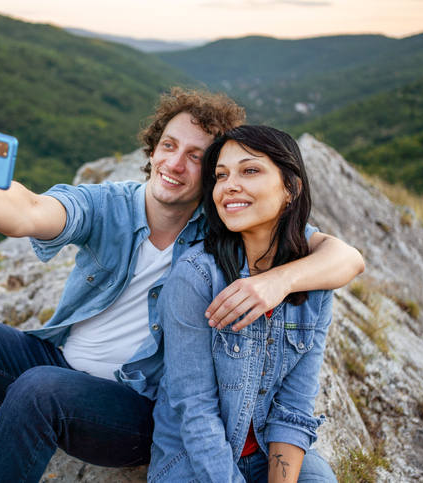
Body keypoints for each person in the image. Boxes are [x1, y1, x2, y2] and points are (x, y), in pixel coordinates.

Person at [0, 88, 364, 482]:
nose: (175, 164)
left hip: (134, 410)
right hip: (58, 365)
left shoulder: (223, 227)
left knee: (40, 389)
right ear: (152, 149)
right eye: (169, 146)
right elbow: (27, 212)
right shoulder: (110, 206)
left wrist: (279, 282)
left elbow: (343, 256)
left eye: (197, 157)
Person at [149, 125, 342, 483]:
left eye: (249, 170)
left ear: (291, 188)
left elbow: (294, 406)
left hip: (270, 452)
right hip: (193, 460)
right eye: (221, 176)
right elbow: (196, 412)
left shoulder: (313, 281)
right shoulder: (195, 278)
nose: (230, 185)